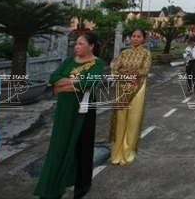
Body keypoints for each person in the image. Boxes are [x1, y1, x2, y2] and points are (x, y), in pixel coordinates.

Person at [34, 32, 105, 199]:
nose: (77, 47)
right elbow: (53, 79)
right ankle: (55, 184)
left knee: (83, 146)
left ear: (91, 46)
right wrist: (76, 82)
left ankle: (82, 186)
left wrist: (65, 83)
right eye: (76, 44)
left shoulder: (97, 63)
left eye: (81, 44)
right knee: (60, 144)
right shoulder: (67, 61)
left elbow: (90, 82)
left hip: (84, 109)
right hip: (64, 110)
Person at [109, 29, 151, 166]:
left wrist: (124, 71)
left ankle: (128, 152)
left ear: (143, 39)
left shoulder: (146, 53)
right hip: (122, 89)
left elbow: (143, 71)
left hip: (138, 88)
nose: (135, 39)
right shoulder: (124, 53)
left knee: (133, 119)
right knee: (120, 120)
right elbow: (115, 70)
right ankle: (116, 153)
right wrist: (128, 75)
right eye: (133, 36)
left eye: (139, 37)